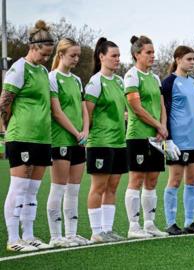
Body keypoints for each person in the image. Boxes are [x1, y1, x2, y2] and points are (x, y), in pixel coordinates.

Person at [1, 20, 55, 252]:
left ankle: (29, 235)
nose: (46, 58)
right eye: (44, 53)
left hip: (42, 137)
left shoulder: (43, 71)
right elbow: (4, 101)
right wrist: (5, 129)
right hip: (21, 136)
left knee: (33, 190)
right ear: (34, 47)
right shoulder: (19, 68)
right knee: (19, 187)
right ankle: (13, 239)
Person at [123, 35, 168, 239]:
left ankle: (149, 224)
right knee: (136, 179)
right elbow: (136, 107)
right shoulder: (132, 76)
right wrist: (158, 125)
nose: (153, 56)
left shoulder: (155, 77)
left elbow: (161, 105)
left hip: (156, 137)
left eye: (153, 52)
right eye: (148, 52)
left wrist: (163, 127)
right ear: (136, 54)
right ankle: (134, 227)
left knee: (152, 180)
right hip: (138, 136)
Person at [47, 38, 90, 247]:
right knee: (58, 188)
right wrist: (75, 132)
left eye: (78, 55)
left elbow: (83, 109)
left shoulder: (77, 80)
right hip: (61, 140)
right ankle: (56, 236)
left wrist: (85, 131)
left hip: (79, 141)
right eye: (72, 55)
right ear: (61, 54)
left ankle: (71, 233)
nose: (75, 59)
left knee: (74, 190)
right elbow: (56, 112)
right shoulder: (52, 78)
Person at [84, 37, 127, 243]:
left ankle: (107, 230)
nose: (117, 59)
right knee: (98, 187)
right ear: (102, 57)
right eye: (114, 56)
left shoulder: (119, 82)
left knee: (113, 187)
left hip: (119, 142)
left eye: (119, 56)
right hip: (100, 142)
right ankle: (96, 231)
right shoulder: (95, 82)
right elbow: (88, 114)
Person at [162, 45, 194, 235]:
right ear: (178, 59)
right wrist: (169, 139)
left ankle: (190, 222)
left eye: (193, 59)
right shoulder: (168, 82)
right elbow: (163, 111)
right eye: (189, 59)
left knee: (192, 181)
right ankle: (171, 223)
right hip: (178, 141)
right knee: (174, 180)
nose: (192, 62)